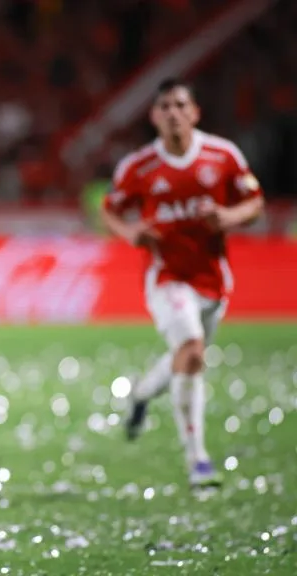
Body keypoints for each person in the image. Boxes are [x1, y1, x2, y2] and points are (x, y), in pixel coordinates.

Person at [102, 78, 265, 488]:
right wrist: (130, 233)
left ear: (194, 112)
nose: (173, 113)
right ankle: (198, 461)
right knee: (192, 351)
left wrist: (228, 217)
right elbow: (110, 209)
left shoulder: (222, 155)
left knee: (187, 357)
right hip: (166, 277)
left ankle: (140, 393)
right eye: (165, 107)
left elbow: (255, 202)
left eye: (180, 105)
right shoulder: (139, 167)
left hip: (212, 278)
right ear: (154, 116)